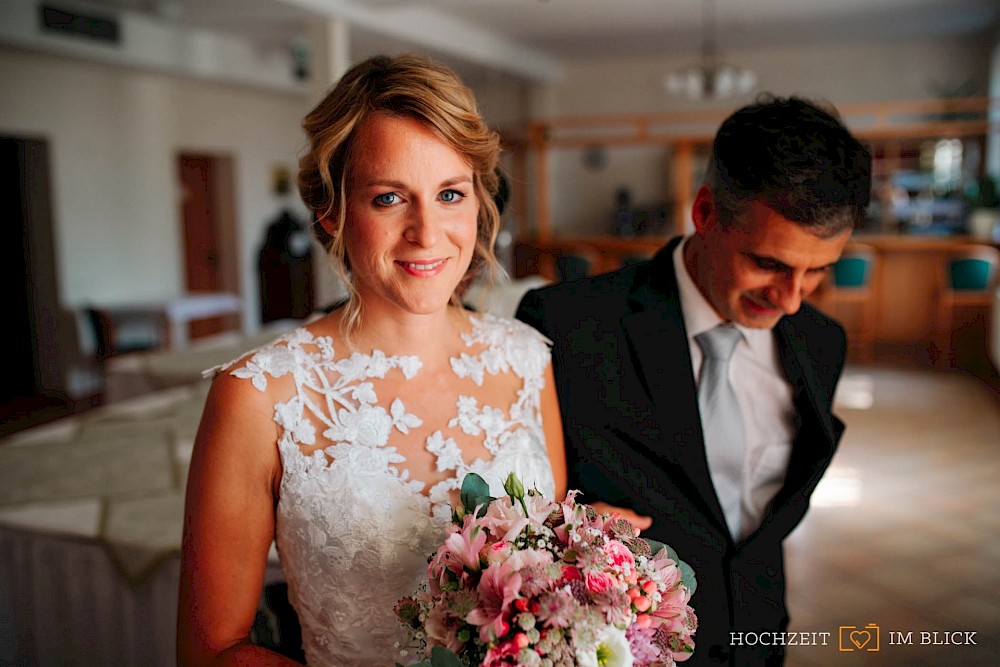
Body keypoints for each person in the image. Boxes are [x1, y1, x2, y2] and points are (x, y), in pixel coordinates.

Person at [177, 54, 567, 666]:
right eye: (389, 198)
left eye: (449, 194)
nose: (428, 231)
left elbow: (542, 576)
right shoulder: (259, 396)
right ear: (332, 212)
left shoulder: (525, 359)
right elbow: (211, 652)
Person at [516, 94, 872, 666]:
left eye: (818, 270)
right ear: (705, 213)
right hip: (623, 644)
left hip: (760, 633)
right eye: (769, 263)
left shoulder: (822, 342)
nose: (790, 299)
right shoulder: (568, 326)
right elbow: (524, 507)